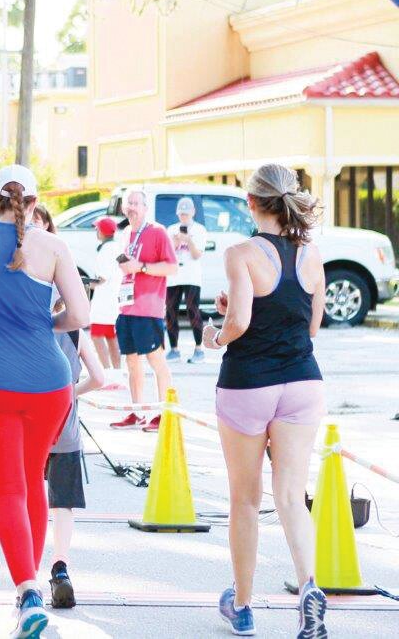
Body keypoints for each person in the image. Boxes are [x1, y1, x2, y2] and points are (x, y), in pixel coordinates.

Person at [0, 164, 89, 639]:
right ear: (33, 202)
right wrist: (41, 325)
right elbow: (81, 314)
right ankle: (31, 587)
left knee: (8, 489)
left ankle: (28, 591)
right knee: (33, 480)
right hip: (49, 383)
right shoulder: (54, 246)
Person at [203, 164, 328, 638]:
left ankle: (244, 606)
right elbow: (311, 326)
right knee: (292, 497)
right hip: (302, 382)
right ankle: (310, 589)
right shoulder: (312, 254)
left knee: (246, 501)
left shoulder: (240, 254)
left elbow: (237, 325)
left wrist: (215, 334)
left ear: (251, 203)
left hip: (248, 383)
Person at [33, 204, 105, 611]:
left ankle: (27, 572)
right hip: (65, 424)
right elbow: (98, 377)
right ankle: (60, 567)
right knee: (61, 503)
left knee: (29, 497)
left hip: (29, 422)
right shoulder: (75, 328)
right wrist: (70, 394)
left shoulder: (26, 323)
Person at [109, 189, 176, 432]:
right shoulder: (126, 232)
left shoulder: (157, 232)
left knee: (156, 360)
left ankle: (164, 413)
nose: (132, 208)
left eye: (136, 203)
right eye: (128, 204)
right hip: (126, 307)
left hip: (149, 308)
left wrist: (142, 267)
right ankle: (136, 412)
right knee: (131, 362)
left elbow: (171, 268)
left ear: (146, 207)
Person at [165, 197, 208, 364]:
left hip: (192, 275)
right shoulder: (171, 229)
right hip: (174, 275)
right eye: (181, 214)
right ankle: (174, 350)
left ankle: (199, 349)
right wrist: (175, 241)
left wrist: (188, 240)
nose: (184, 217)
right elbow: (167, 254)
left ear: (193, 213)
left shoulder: (199, 230)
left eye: (187, 214)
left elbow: (197, 255)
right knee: (170, 311)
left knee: (192, 310)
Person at [88, 216, 124, 386]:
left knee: (96, 335)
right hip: (114, 297)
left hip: (103, 299)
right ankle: (117, 373)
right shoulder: (117, 247)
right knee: (111, 336)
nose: (96, 231)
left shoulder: (105, 251)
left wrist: (86, 285)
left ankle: (107, 373)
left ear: (102, 231)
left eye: (97, 229)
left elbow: (101, 279)